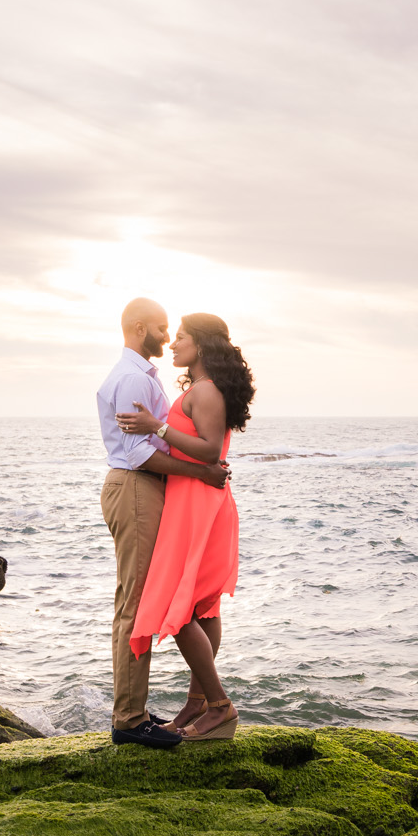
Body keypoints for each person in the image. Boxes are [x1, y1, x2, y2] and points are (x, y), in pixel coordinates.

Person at [115, 311, 254, 741]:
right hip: (195, 501)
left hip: (198, 504)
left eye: (181, 337)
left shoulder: (207, 391)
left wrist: (157, 426)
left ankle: (218, 706)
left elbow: (210, 451)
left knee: (180, 609)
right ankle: (199, 705)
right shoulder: (200, 389)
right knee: (201, 606)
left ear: (201, 345)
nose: (173, 344)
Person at [97, 297, 229, 750]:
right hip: (136, 486)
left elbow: (176, 440)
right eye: (160, 327)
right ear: (138, 328)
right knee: (136, 602)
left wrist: (201, 468)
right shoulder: (134, 377)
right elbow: (139, 452)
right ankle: (130, 718)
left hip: (147, 489)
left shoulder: (144, 376)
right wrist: (204, 472)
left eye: (175, 331)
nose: (167, 336)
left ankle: (141, 709)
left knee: (159, 600)